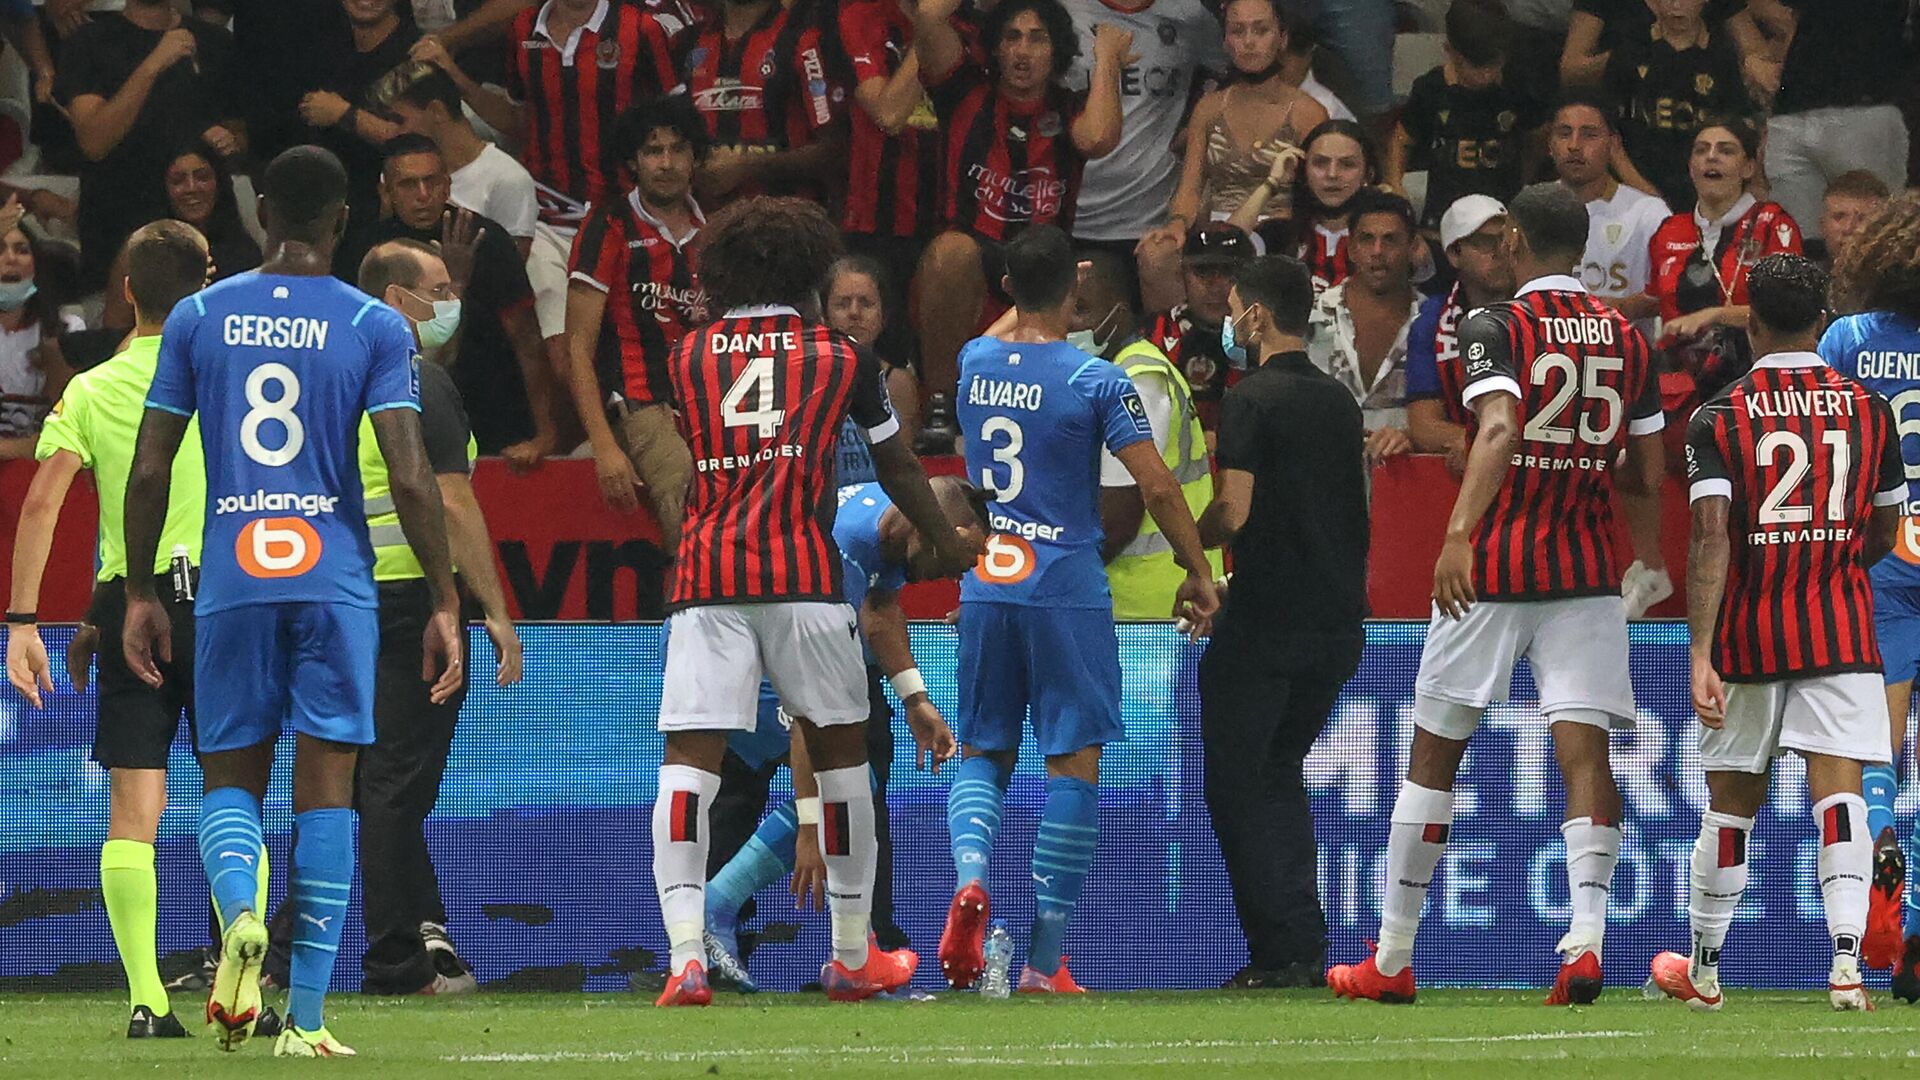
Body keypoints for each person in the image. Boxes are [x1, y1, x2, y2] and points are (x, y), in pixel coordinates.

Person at [120, 146, 464, 1058]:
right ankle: (306, 1020)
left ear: (262, 211)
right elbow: (412, 471)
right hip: (336, 582)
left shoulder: (197, 316)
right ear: (345, 219)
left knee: (229, 778)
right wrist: (443, 598)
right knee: (329, 797)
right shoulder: (373, 325)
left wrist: (144, 590)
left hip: (232, 577)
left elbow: (152, 465)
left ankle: (239, 916)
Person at [1329, 183, 1665, 1007]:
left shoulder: (1497, 325)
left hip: (1499, 561)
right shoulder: (1628, 337)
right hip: (1588, 566)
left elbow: (1500, 427)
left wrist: (1457, 535)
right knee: (1585, 755)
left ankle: (1395, 957)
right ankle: (1585, 943)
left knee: (1435, 749)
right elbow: (1646, 474)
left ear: (1513, 239)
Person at [648, 196, 981, 1007]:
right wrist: (939, 538)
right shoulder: (840, 358)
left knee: (688, 767)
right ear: (809, 271)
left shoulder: (687, 357)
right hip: (802, 575)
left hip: (706, 577)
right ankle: (850, 952)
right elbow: (899, 465)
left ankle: (686, 953)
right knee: (843, 763)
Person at [938, 224, 1219, 994]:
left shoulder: (974, 362)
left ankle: (969, 879)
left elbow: (1011, 326)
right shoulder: (1097, 380)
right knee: (1074, 764)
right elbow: (1157, 487)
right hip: (1065, 581)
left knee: (983, 751)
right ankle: (1042, 961)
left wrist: (1029, 294)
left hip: (991, 579)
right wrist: (1199, 570)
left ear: (1003, 290)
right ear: (1078, 285)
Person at [1650, 254, 1902, 1014]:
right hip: (1843, 626)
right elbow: (1886, 527)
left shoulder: (1718, 416)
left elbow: (1710, 535)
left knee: (1731, 804)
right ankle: (1849, 966)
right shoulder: (1868, 408)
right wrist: (1831, 563)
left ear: (1750, 323)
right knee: (1841, 798)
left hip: (1751, 630)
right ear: (1821, 322)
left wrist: (1700, 648)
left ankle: (1705, 970)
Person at [4, 220, 215, 1039]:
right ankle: (249, 974)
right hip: (231, 605)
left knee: (135, 811)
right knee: (236, 794)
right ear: (211, 282)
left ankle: (147, 1000)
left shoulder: (91, 389)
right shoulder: (229, 380)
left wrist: (24, 622)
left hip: (136, 608)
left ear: (126, 290)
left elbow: (42, 502)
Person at [702, 476, 988, 990]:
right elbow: (808, 709)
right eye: (953, 558)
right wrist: (811, 829)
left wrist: (916, 700)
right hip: (734, 661)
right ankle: (717, 909)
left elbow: (880, 610)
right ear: (937, 529)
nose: (950, 574)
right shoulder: (840, 558)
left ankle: (853, 957)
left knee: (857, 780)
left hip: (743, 638)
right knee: (844, 778)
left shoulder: (887, 517)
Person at [350, 237, 524, 997]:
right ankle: (398, 961)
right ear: (398, 302)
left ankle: (425, 933)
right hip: (412, 603)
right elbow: (451, 500)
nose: (452, 305)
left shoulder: (335, 371)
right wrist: (488, 607)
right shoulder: (417, 379)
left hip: (337, 599)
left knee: (364, 781)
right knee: (394, 786)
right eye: (441, 290)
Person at [1196, 252, 1365, 988]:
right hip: (1334, 625)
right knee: (1278, 776)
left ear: (1256, 316)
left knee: (1239, 785)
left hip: (1266, 622)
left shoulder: (1250, 399)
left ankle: (1280, 950)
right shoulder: (1340, 402)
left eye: (1234, 308)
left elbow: (1234, 509)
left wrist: (1179, 530)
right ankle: (1299, 940)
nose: (1230, 323)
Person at [409, 0, 681, 407]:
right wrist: (457, 78)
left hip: (621, 219)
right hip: (550, 220)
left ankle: (624, 438)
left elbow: (678, 124)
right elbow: (520, 122)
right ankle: (591, 450)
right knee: (562, 358)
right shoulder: (524, 29)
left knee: (636, 345)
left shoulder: (641, 30)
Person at [908, 0, 1127, 402]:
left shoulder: (1067, 107)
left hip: (1044, 261)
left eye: (1037, 39)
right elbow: (928, 16)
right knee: (951, 251)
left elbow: (1099, 138)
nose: (1023, 51)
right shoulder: (963, 91)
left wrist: (1108, 57)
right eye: (1012, 37)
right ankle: (941, 401)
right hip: (975, 253)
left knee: (1103, 284)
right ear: (995, 48)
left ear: (1055, 50)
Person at [1817, 192, 1920, 992]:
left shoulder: (1848, 339)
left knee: (1876, 745)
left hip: (1877, 551)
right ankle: (1918, 931)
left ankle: (1885, 851)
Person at [335, 134, 556, 467]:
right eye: (408, 184)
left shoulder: (487, 240)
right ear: (387, 192)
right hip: (397, 414)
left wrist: (544, 434)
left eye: (431, 182)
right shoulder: (364, 250)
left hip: (493, 417)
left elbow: (527, 342)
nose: (423, 196)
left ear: (447, 185)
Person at [565, 97, 706, 550]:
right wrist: (605, 446)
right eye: (653, 151)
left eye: (677, 149)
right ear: (633, 161)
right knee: (686, 489)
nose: (666, 163)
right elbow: (577, 349)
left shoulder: (717, 229)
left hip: (714, 404)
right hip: (641, 406)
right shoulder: (608, 225)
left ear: (694, 157)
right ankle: (695, 605)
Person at [1065, 252, 1223, 618]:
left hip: (1153, 609)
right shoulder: (1094, 376)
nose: (1068, 323)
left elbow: (1117, 520)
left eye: (1082, 309)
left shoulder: (1138, 378)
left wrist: (1039, 586)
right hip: (1117, 602)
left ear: (1117, 314)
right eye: (1064, 307)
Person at [1139, 0, 1324, 311]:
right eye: (1238, 31)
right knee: (1155, 254)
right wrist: (1177, 223)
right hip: (1216, 234)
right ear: (1225, 41)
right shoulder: (1210, 108)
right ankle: (1171, 343)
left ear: (1283, 38)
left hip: (1282, 232)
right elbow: (1190, 188)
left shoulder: (1308, 113)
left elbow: (1316, 196)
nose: (1249, 41)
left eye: (1261, 30)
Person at [54, 0, 241, 289]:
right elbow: (94, 142)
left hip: (207, 235)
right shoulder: (89, 41)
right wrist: (155, 63)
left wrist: (229, 135)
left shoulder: (215, 40)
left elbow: (240, 125)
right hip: (118, 228)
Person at [1061, 0, 1224, 312]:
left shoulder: (1190, 16)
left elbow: (1230, 72)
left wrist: (1192, 130)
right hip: (1069, 219)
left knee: (1159, 342)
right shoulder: (1063, 11)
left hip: (1151, 224)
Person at [1728, 0, 1911, 244]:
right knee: (1793, 248)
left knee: (1875, 242)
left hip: (1866, 103)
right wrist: (1753, 50)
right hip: (1793, 108)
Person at [1650, 120, 1802, 377]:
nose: (1711, 157)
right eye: (1701, 150)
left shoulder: (1773, 224)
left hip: (1751, 378)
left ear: (1748, 168)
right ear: (1690, 168)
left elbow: (1787, 312)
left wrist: (1716, 315)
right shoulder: (1668, 230)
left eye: (1726, 150)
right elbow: (1653, 301)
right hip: (1678, 384)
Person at [1388, 0, 1546, 233]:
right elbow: (1402, 140)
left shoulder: (1518, 89)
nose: (1485, 75)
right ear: (1450, 51)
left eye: (1492, 65)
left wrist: (1524, 183)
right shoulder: (1431, 90)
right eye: (1474, 66)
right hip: (1442, 222)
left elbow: (1537, 138)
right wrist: (1395, 184)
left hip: (1502, 218)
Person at [679, 0, 844, 206]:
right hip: (703, 225)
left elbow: (834, 152)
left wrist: (749, 166)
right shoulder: (686, 43)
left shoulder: (804, 40)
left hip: (787, 223)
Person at [376, 62, 538, 260]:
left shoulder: (508, 179)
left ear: (436, 111)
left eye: (399, 120)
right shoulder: (398, 170)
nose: (392, 131)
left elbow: (511, 272)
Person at [1603, 0, 1752, 211]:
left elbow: (1737, 130)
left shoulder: (1722, 54)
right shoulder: (1630, 48)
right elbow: (1610, 134)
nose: (1676, 5)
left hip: (1703, 197)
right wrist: (1647, 195)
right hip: (1633, 191)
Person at [1305, 189, 1421, 459]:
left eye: (1390, 240)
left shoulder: (1433, 322)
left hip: (1403, 480)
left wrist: (1412, 437)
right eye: (1367, 239)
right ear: (1352, 248)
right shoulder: (1311, 315)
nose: (1377, 251)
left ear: (1412, 247)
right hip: (1321, 477)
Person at [103, 140, 261, 330]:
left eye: (202, 177)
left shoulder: (245, 252)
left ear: (219, 184)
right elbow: (114, 327)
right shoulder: (140, 248)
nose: (192, 188)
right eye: (178, 180)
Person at [1405, 195, 1513, 468]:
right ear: (1454, 254)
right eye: (1486, 242)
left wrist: (1483, 445)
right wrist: (1475, 442)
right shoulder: (1432, 320)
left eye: (1507, 239)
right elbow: (1424, 425)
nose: (1501, 251)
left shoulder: (1541, 311)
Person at [297, 0, 417, 235]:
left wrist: (344, 114)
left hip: (392, 210)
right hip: (331, 204)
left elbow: (418, 140)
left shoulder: (416, 53)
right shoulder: (325, 47)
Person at [1552, 96, 1667, 329]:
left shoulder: (1649, 214)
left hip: (1628, 356)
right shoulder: (1531, 208)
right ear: (1549, 144)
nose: (1574, 145)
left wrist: (1623, 308)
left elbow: (1671, 291)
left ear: (1613, 145)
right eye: (1564, 133)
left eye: (1589, 134)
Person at [1145, 222, 1255, 434]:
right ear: (1182, 274)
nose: (1215, 284)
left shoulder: (1267, 339)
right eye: (1203, 271)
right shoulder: (1154, 336)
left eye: (1228, 271)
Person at [1266, 118, 1381, 297]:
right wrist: (1271, 183)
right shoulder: (1279, 234)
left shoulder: (1389, 238)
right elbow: (1225, 245)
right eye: (1320, 163)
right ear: (1303, 171)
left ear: (1368, 174)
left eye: (1347, 164)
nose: (1332, 174)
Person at [0, 219, 83, 459]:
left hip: (42, 466)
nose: (11, 258)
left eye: (22, 250)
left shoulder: (69, 329)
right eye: (0, 249)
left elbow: (71, 427)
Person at [826, 255, 919, 452]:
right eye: (842, 304)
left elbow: (904, 461)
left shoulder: (898, 382)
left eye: (866, 303)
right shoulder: (807, 376)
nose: (854, 313)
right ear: (824, 315)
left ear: (884, 316)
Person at [1809, 171, 1891, 271]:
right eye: (1839, 217)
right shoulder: (1803, 280)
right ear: (1822, 224)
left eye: (1863, 219)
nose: (1848, 228)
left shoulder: (1903, 283)